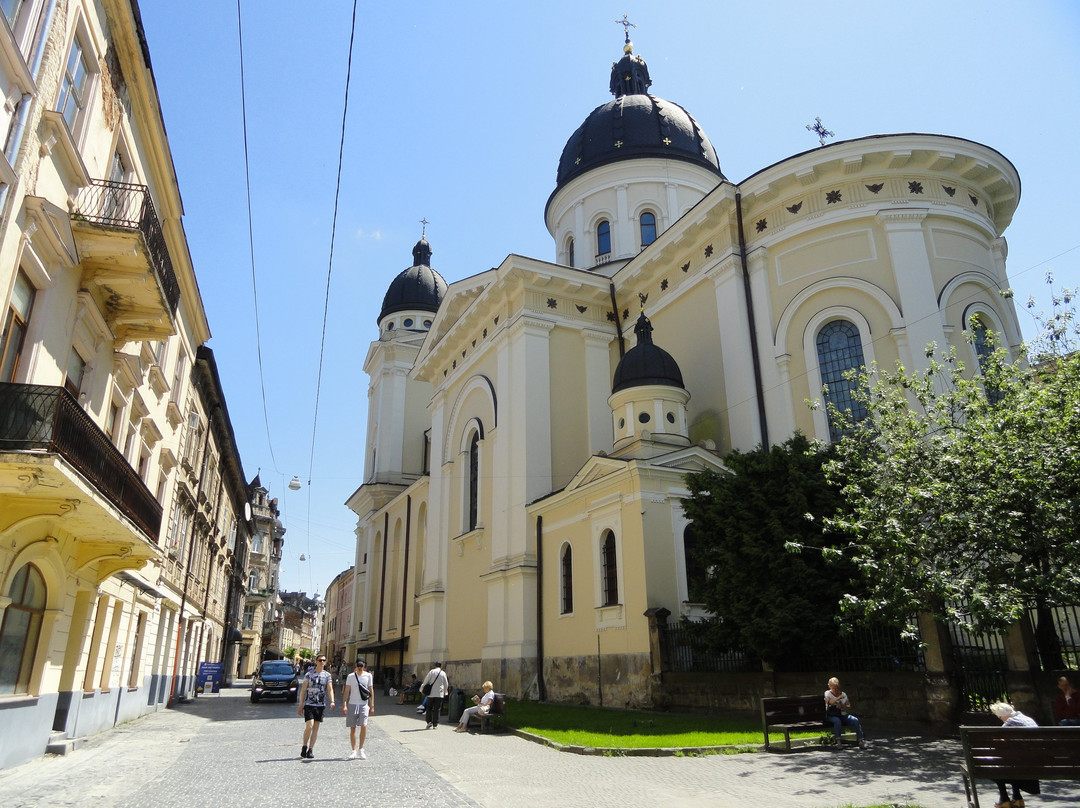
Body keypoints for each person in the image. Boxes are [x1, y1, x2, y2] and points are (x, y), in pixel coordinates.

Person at [989, 702, 1040, 808]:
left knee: (992, 764)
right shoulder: (1028, 719)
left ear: (1001, 716)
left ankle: (1004, 800)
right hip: (1035, 764)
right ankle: (1017, 798)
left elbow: (997, 742)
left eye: (1000, 718)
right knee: (1012, 762)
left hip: (1021, 765)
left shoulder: (1010, 722)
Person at [297, 654, 335, 759]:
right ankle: (304, 746)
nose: (322, 662)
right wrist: (300, 705)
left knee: (316, 728)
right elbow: (303, 691)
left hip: (320, 704)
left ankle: (310, 749)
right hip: (309, 703)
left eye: (324, 660)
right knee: (310, 725)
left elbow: (330, 689)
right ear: (316, 661)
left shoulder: (327, 675)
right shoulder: (309, 675)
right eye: (320, 660)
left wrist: (332, 701)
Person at [342, 658, 374, 760]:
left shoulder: (368, 676)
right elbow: (347, 691)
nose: (360, 668)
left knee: (364, 725)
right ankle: (353, 750)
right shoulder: (351, 676)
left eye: (362, 665)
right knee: (353, 728)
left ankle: (361, 748)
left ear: (364, 665)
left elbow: (371, 690)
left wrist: (372, 705)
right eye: (359, 665)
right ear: (356, 665)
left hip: (364, 704)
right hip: (352, 703)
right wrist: (344, 704)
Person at [823, 677, 865, 747]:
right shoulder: (827, 693)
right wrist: (838, 698)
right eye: (833, 688)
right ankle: (839, 742)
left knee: (855, 720)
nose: (835, 690)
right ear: (830, 687)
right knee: (837, 721)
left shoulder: (844, 694)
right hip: (831, 715)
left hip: (843, 715)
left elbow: (849, 706)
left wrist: (842, 706)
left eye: (836, 688)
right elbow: (829, 702)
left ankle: (861, 740)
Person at [419, 661, 449, 729]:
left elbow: (426, 681)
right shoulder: (443, 673)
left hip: (431, 694)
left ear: (435, 665)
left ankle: (429, 722)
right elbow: (446, 684)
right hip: (439, 694)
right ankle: (435, 724)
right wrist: (445, 692)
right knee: (437, 709)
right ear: (440, 666)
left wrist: (421, 689)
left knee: (429, 708)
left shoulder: (432, 672)